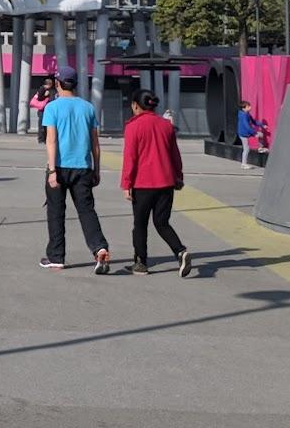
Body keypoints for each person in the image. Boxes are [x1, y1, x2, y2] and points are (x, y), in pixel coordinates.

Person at [40, 72, 113, 272]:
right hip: (83, 167)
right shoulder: (88, 108)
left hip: (59, 167)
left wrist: (52, 171)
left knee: (56, 212)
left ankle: (56, 257)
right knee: (86, 211)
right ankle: (99, 247)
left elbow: (51, 141)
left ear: (57, 83)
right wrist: (96, 169)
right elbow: (95, 143)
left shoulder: (52, 107)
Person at [119, 90, 191, 276]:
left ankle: (141, 263)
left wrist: (126, 184)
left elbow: (130, 158)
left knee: (140, 224)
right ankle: (180, 251)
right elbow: (175, 154)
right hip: (166, 182)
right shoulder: (166, 125)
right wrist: (178, 176)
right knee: (162, 222)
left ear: (135, 105)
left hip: (143, 183)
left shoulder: (133, 126)